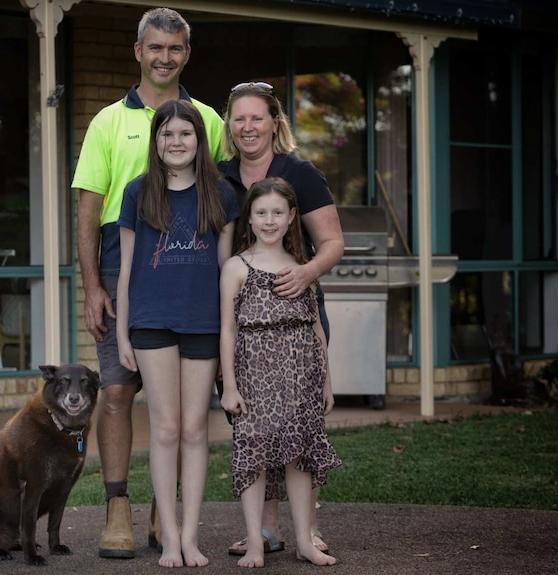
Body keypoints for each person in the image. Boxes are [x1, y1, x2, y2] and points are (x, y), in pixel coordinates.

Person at [72, 7, 225, 559]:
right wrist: (93, 285)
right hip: (122, 262)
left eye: (175, 48)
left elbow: (228, 193)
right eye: (155, 47)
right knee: (115, 390)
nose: (165, 57)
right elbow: (88, 209)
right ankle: (118, 507)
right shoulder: (108, 121)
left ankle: (169, 510)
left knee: (186, 407)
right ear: (138, 51)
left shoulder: (208, 118)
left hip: (189, 267)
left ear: (187, 53)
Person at [218, 81, 345, 557]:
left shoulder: (301, 173)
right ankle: (265, 531)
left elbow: (332, 241)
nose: (248, 127)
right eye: (239, 118)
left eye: (257, 118)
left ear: (275, 123)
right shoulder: (221, 175)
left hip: (296, 316)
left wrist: (307, 273)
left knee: (300, 431)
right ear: (230, 126)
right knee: (255, 431)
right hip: (244, 324)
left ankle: (305, 530)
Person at [116, 99, 237, 568]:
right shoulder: (138, 191)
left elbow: (227, 272)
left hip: (203, 322)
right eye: (167, 134)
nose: (177, 142)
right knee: (165, 430)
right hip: (151, 322)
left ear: (199, 141)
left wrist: (230, 335)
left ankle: (189, 535)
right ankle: (167, 537)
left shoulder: (221, 194)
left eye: (185, 134)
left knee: (194, 429)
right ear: (157, 141)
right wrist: (124, 335)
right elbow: (126, 270)